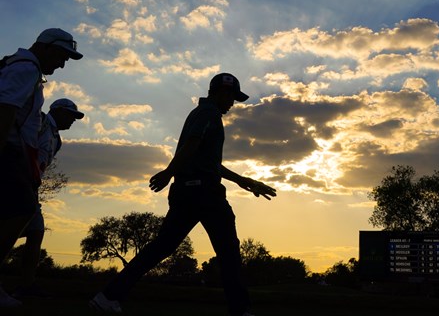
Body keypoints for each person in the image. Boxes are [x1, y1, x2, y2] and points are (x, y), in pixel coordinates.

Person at [90, 73, 276, 316]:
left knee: (161, 247)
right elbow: (192, 144)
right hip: (205, 192)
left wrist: (242, 180)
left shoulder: (202, 113)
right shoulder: (209, 113)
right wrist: (168, 172)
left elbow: (204, 159)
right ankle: (240, 310)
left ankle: (107, 297)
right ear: (220, 92)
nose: (232, 104)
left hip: (188, 190)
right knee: (229, 251)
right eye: (231, 97)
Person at [0, 28, 82, 308]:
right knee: (21, 209)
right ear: (44, 47)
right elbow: (5, 110)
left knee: (20, 214)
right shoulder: (26, 69)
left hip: (15, 157)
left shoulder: (28, 70)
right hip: (7, 153)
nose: (62, 64)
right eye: (61, 55)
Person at [12, 98, 84, 298]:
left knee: (35, 232)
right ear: (58, 111)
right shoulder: (40, 122)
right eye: (71, 115)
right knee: (13, 229)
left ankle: (26, 285)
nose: (73, 121)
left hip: (30, 184)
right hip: (17, 178)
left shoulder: (57, 138)